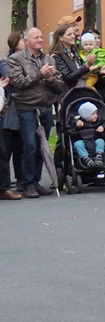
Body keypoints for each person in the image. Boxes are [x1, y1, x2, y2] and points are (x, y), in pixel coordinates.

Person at [5, 28, 65, 197]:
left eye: (41, 36)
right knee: (30, 145)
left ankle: (36, 181)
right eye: (36, 37)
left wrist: (51, 79)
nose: (40, 39)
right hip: (26, 107)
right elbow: (18, 82)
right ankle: (27, 183)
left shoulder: (48, 59)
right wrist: (40, 74)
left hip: (45, 107)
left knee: (42, 146)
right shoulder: (16, 59)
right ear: (26, 41)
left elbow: (60, 86)